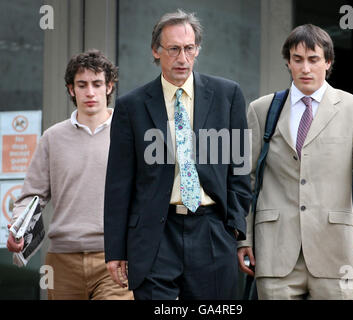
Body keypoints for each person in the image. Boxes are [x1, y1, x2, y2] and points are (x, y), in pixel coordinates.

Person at [104, 10, 251, 300]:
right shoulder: (131, 106)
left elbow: (240, 168)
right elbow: (118, 184)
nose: (182, 58)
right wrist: (116, 249)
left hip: (211, 229)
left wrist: (233, 225)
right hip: (155, 234)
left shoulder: (227, 95)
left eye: (189, 48)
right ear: (156, 52)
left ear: (197, 49)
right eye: (173, 49)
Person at [237, 24, 353, 300]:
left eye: (313, 59)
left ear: (328, 62)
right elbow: (246, 179)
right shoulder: (262, 110)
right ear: (288, 62)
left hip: (334, 252)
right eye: (298, 59)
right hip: (274, 252)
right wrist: (243, 237)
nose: (305, 68)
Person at [7, 50, 133, 300]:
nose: (90, 92)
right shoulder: (52, 138)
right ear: (71, 89)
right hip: (62, 261)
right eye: (82, 84)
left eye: (97, 84)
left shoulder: (129, 133)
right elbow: (32, 195)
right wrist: (17, 229)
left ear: (109, 87)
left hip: (116, 258)